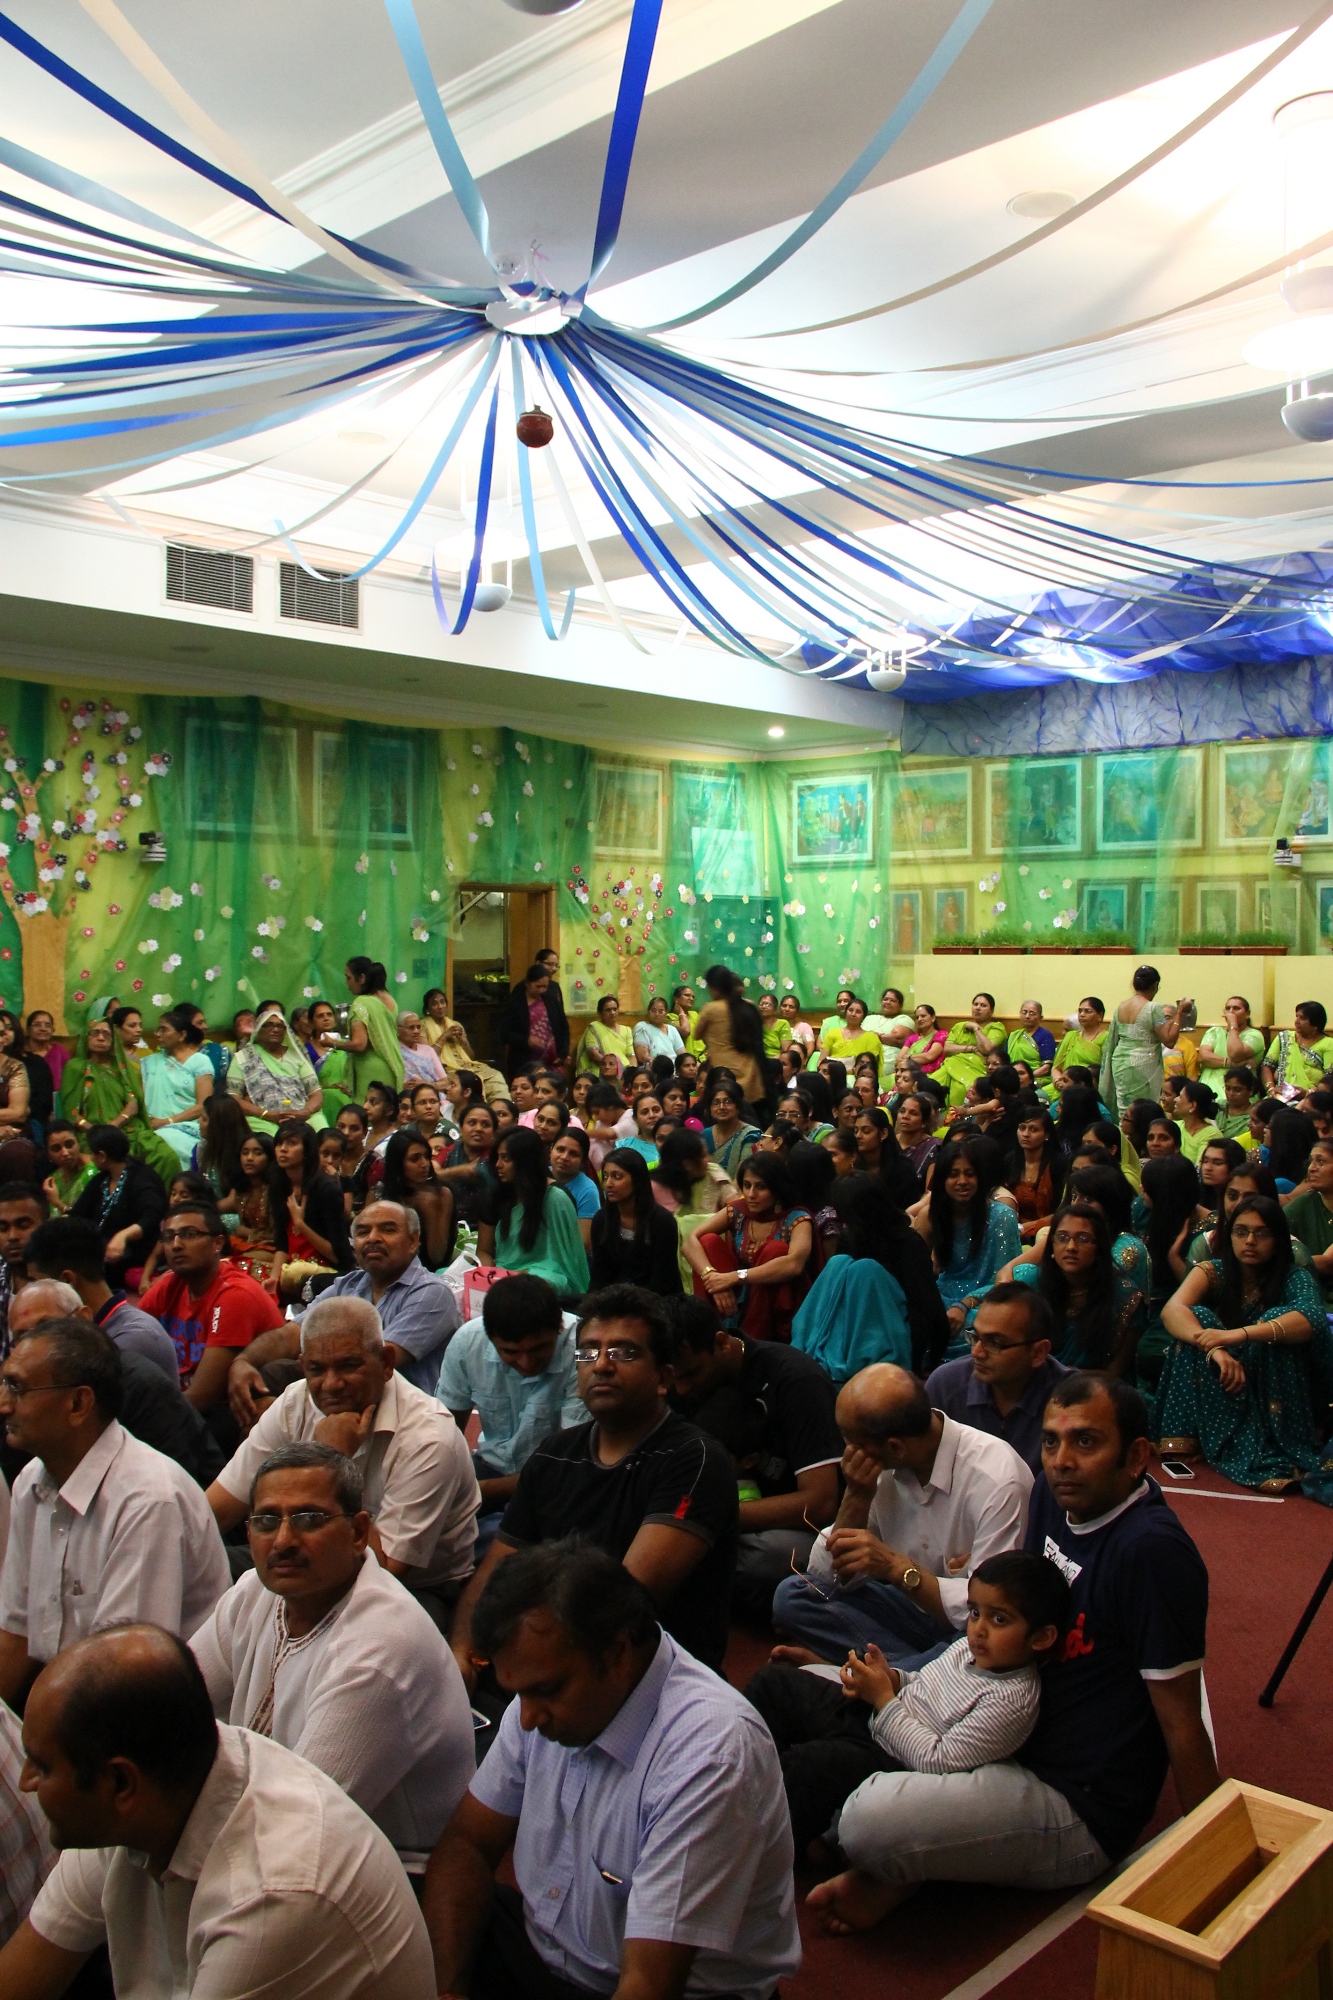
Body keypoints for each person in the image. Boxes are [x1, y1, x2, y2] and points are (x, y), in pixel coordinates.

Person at [806, 1373, 1214, 1926]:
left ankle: (911, 1862)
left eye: (1086, 1442)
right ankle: (922, 1858)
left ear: (1137, 1455)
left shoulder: (1152, 1554)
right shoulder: (1051, 1494)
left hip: (1071, 1795)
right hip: (1000, 1721)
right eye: (1051, 1441)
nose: (1062, 1460)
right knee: (831, 1703)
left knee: (866, 1821)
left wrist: (1216, 1862)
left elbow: (1183, 1722)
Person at [424, 1541, 799, 2000]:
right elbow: (467, 1844)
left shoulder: (711, 1753)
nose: (527, 1719)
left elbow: (649, 1983)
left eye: (546, 1691)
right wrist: (449, 1992)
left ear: (617, 1652)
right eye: (517, 1694)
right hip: (546, 1953)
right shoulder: (544, 1690)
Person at [1, 1625, 435, 1999]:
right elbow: (24, 1977)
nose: (25, 1782)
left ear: (120, 1783)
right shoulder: (145, 1789)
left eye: (41, 1765)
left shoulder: (277, 1893)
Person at [194, 1440, 475, 1863]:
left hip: (389, 1867)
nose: (283, 1540)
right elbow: (173, 1703)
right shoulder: (254, 1591)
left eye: (309, 1519)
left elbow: (296, 1824)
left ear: (359, 1533)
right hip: (274, 1828)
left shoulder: (381, 1649)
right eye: (267, 1521)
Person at [449, 1286, 739, 1682]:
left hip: (647, 1678)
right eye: (587, 1353)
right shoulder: (554, 1455)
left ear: (663, 1377)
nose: (601, 1364)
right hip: (547, 1664)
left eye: (624, 1352)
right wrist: (464, 1651)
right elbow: (496, 1571)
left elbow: (623, 1601)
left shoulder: (693, 1460)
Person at [753, 1551, 1068, 1868]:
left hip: (896, 1760)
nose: (979, 1630)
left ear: (1042, 1637)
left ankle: (760, 1850)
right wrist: (891, 1679)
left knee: (810, 1766)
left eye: (999, 1619)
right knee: (774, 1685)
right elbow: (921, 1682)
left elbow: (937, 1761)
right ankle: (740, 1780)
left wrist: (884, 1700)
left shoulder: (1011, 1701)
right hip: (876, 1716)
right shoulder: (964, 1648)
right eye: (974, 1613)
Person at [0, 1319, 229, 1706]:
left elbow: (125, 1679)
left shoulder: (148, 1500)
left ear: (78, 1403)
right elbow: (16, 1633)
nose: (4, 1404)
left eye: (18, 1388)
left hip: (152, 1726)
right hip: (74, 1706)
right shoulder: (30, 1482)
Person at [210, 1294, 478, 1597]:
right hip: (305, 1555)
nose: (331, 1385)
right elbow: (217, 1511)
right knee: (210, 1567)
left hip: (413, 1590)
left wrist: (334, 1462)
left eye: (348, 1366)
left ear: (386, 1362)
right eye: (316, 1370)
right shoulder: (294, 1403)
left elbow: (385, 1573)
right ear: (303, 1367)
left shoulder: (429, 1438)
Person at [770, 1365, 1032, 1666]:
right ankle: (904, 1676)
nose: (847, 1453)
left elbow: (996, 1610)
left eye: (851, 1442)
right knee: (794, 1595)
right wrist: (856, 1496)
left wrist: (896, 1568)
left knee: (974, 1654)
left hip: (973, 1632)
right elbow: (825, 1579)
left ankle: (880, 1676)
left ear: (895, 1447)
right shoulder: (877, 1468)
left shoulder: (998, 1479)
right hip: (909, 1615)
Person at [667, 1295, 841, 1622]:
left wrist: (714, 1515)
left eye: (691, 1374)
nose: (683, 1389)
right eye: (674, 1377)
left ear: (721, 1343)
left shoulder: (795, 1380)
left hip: (788, 1528)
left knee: (769, 1558)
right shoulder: (681, 1383)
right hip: (719, 1514)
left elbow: (820, 1503)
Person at [1158, 1194, 1333, 1491]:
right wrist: (1216, 1349)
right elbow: (1173, 1310)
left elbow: (1311, 1320)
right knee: (1196, 1318)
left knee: (1278, 1325)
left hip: (1283, 1390)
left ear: (1278, 1239)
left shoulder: (1294, 1276)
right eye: (1241, 1232)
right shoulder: (1215, 1271)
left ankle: (1268, 1444)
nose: (1249, 1240)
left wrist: (1238, 1335)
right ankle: (1189, 1439)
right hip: (1231, 1373)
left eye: (1261, 1233)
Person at [228, 1201, 462, 1416]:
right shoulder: (348, 1285)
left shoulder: (432, 1293)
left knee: (278, 1380)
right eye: (362, 1232)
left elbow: (371, 1365)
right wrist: (244, 1362)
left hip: (402, 1417)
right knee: (257, 1386)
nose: (373, 1238)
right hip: (341, 1403)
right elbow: (291, 1336)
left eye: (387, 1230)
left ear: (413, 1241)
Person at [6, 1280, 224, 1490]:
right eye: (21, 1336)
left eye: (46, 1327)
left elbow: (180, 1488)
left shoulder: (138, 1383)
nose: (32, 1344)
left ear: (83, 1319)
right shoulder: (29, 1480)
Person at [438, 1274, 583, 1528]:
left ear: (559, 1325)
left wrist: (473, 1491)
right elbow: (446, 1434)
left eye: (539, 1349)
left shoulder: (583, 1351)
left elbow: (565, 1464)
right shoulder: (467, 1343)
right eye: (511, 1352)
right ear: (490, 1337)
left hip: (557, 1482)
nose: (526, 1363)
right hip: (490, 1469)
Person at [139, 1199, 284, 1411]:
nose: (176, 1245)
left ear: (217, 1244)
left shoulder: (234, 1294)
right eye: (169, 1237)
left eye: (189, 1234)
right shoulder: (170, 1284)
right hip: (184, 1400)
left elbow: (202, 1397)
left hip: (228, 1413)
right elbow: (129, 1336)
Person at [925, 1283, 1071, 1473]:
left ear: (1038, 1353)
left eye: (995, 1343)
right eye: (975, 1337)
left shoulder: (1071, 1398)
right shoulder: (945, 1385)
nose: (977, 1353)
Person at [28, 1215, 179, 1381]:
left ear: (67, 1281)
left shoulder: (133, 1340)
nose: (28, 1294)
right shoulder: (89, 1330)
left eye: (36, 1284)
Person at [999, 1202, 1143, 1373]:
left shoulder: (1125, 1296)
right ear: (1051, 1244)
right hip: (1032, 1383)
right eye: (1062, 1237)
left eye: (1083, 1239)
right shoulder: (1030, 1284)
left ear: (1099, 1248)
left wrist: (1058, 1380)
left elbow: (1114, 1372)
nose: (1071, 1247)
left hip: (1093, 1391)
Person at [685, 1152, 813, 1343]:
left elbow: (793, 1264)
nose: (751, 1195)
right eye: (747, 1185)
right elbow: (690, 1241)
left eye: (761, 1187)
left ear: (777, 1188)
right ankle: (709, 1332)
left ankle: (753, 1340)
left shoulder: (797, 1218)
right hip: (733, 1298)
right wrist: (712, 1278)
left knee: (775, 1250)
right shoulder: (738, 1210)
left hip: (773, 1306)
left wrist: (734, 1278)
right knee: (708, 1241)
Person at [914, 1135, 1021, 1345]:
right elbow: (915, 1273)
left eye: (969, 1174)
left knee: (980, 1324)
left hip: (985, 1302)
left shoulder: (1001, 1216)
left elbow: (1006, 1283)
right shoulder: (930, 1217)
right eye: (953, 1174)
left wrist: (964, 1304)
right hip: (941, 1299)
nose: (962, 1181)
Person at [58, 1012, 180, 1188]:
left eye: (106, 1034)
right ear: (87, 1038)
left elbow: (132, 1104)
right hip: (91, 1133)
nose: (101, 1038)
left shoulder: (122, 1068)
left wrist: (113, 1126)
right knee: (122, 1162)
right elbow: (72, 1113)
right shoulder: (75, 1067)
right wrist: (97, 1131)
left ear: (113, 1040)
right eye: (96, 1033)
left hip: (129, 1129)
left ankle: (160, 1205)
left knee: (166, 1157)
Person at [478, 1127, 590, 1297]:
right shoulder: (496, 1195)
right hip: (501, 1274)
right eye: (498, 1157)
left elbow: (567, 1263)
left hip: (543, 1277)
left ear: (525, 1161)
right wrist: (488, 1275)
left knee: (539, 1283)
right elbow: (483, 1251)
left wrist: (523, 1275)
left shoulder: (556, 1198)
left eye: (506, 1158)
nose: (498, 1165)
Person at [66, 1125, 168, 1289]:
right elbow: (78, 1214)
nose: (90, 1158)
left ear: (102, 1156)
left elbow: (152, 1215)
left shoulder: (142, 1178)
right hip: (102, 1254)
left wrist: (124, 1235)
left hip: (132, 1256)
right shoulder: (102, 1180)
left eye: (92, 1153)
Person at [1099, 965, 1191, 1119]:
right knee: (1142, 1111)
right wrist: (1179, 1012)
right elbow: (1169, 1041)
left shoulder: (1122, 1006)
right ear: (1155, 985)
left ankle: (1124, 1137)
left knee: (1125, 1110)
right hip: (1142, 1062)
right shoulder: (1152, 1008)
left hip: (1120, 1061)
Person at [590, 1147, 683, 1295]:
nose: (608, 1184)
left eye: (617, 1177)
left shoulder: (662, 1222)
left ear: (637, 1180)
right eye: (606, 1176)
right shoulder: (601, 1219)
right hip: (612, 1300)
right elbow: (599, 1277)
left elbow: (662, 1282)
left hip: (656, 1302)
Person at [226, 1005, 324, 1136]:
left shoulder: (296, 1057)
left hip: (301, 1114)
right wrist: (267, 1114)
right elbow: (233, 1098)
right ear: (259, 1029)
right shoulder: (243, 1057)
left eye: (280, 1026)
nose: (275, 1029)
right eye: (269, 1025)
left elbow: (316, 1093)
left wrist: (306, 1111)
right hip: (262, 1117)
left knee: (322, 1133)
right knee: (273, 1138)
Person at [139, 1007, 215, 1166]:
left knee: (166, 1143)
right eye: (157, 1029)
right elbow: (139, 1099)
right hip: (151, 1126)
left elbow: (204, 1106)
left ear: (181, 1035)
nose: (157, 1034)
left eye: (163, 1029)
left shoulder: (200, 1062)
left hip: (188, 1127)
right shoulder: (149, 1063)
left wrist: (167, 1121)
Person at [695, 965, 767, 1122]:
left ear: (713, 987)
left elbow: (696, 1034)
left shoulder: (711, 1009)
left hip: (723, 1078)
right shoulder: (747, 1007)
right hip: (751, 1076)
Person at [380, 1127, 454, 1271]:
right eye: (415, 1159)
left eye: (426, 1157)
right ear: (397, 1163)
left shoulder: (442, 1194)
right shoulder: (380, 1193)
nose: (424, 1164)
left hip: (427, 1273)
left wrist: (429, 1210)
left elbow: (437, 1257)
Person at [1283, 1133, 1333, 1301]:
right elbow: (1273, 1233)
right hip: (1311, 1295)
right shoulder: (1305, 1203)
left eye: (1321, 1161)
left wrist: (1277, 1265)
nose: (1311, 1168)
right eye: (1311, 1161)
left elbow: (1328, 1263)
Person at [0, 1182, 47, 1361]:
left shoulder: (65, 1284)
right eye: (3, 1228)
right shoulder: (2, 1279)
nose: (12, 1236)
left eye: (23, 1225)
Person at [1006, 1104, 1064, 1242]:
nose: (1026, 1134)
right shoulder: (1009, 1160)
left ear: (1047, 1135)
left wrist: (1026, 1228)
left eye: (1034, 1129)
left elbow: (1062, 1211)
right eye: (1022, 1128)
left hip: (1046, 1233)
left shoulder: (1059, 1164)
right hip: (1011, 1229)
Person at [500, 963, 560, 1078]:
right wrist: (526, 1040)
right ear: (528, 984)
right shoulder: (516, 1003)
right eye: (538, 986)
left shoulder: (551, 1001)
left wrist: (562, 1054)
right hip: (523, 1062)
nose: (542, 990)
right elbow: (504, 1033)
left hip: (552, 1063)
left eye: (545, 986)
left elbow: (562, 1028)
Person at [1047, 998, 1108, 1092]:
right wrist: (1058, 1081)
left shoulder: (1106, 1038)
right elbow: (1056, 1068)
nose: (1082, 1014)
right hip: (1062, 1086)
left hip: (1088, 1089)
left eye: (1087, 1011)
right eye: (1080, 1011)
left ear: (1099, 1016)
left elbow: (1105, 1072)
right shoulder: (1071, 1036)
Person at [576, 992, 636, 1078]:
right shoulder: (594, 1028)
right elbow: (593, 1054)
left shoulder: (626, 1030)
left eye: (615, 1009)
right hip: (602, 1072)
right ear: (600, 1013)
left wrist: (633, 1072)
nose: (612, 1012)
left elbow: (631, 1056)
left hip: (624, 1074)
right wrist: (613, 1067)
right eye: (608, 1010)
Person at [1006, 999, 1056, 1080]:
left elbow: (1046, 1067)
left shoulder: (1045, 1035)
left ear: (1040, 1017)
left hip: (1036, 1078)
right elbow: (1005, 1060)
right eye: (1024, 1012)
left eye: (1032, 1013)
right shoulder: (1013, 1035)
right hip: (1011, 1078)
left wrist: (1027, 1077)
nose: (1027, 1016)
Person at [634, 993, 686, 1068]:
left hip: (675, 1070)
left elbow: (682, 1055)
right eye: (653, 1010)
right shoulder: (642, 1027)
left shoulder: (672, 1029)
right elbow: (642, 1057)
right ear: (649, 1011)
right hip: (654, 1069)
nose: (657, 1014)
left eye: (661, 1011)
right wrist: (664, 1066)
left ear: (666, 1013)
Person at [1217, 1065, 1261, 1144]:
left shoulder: (1253, 1118)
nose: (1231, 1094)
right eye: (1228, 1088)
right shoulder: (1217, 1107)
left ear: (1250, 1090)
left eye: (1237, 1090)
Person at [780, 991, 816, 1058]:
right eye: (784, 1006)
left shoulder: (804, 1027)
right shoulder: (776, 1025)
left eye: (791, 1007)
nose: (787, 1009)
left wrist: (801, 1062)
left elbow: (810, 1048)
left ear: (797, 1010)